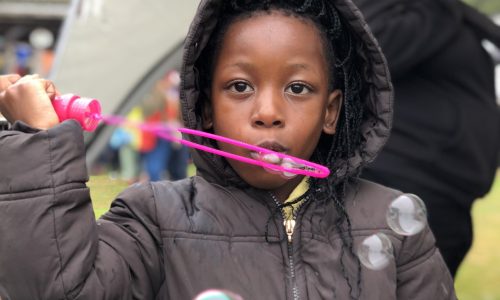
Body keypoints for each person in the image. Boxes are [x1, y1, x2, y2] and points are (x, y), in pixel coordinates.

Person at [0, 1, 456, 299]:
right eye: (240, 86)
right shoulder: (152, 219)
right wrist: (37, 143)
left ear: (331, 112)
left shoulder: (397, 231)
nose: (268, 112)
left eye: (298, 88)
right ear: (207, 107)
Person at [352, 0, 500, 277]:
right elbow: (367, 54)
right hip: (398, 186)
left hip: (446, 198)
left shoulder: (449, 15)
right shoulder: (411, 11)